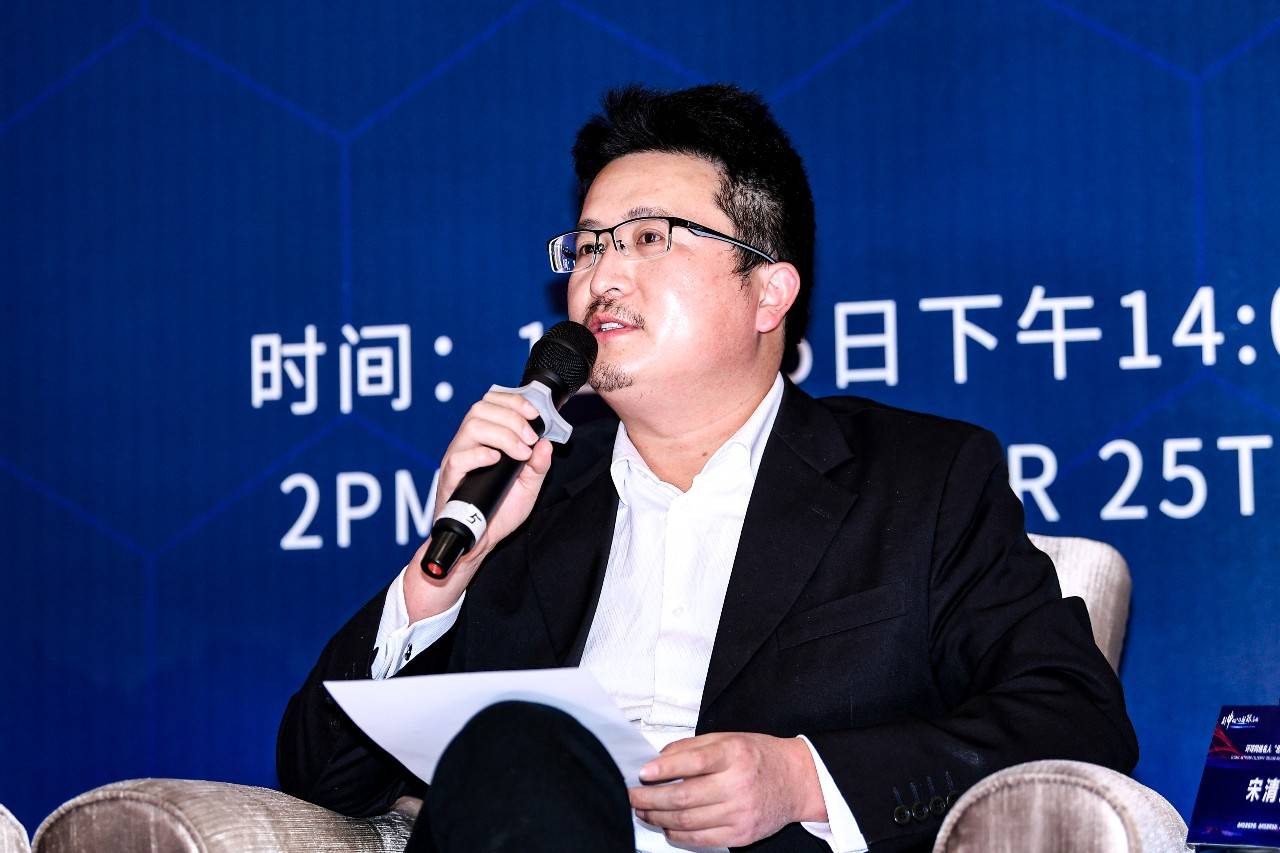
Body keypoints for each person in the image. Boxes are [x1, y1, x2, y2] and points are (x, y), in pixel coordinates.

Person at [277, 84, 1138, 853]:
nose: (603, 276)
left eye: (649, 238)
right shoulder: (528, 497)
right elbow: (321, 777)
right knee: (520, 745)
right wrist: (444, 575)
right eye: (588, 246)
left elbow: (1075, 716)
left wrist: (802, 777)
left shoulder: (920, 480)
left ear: (769, 292)